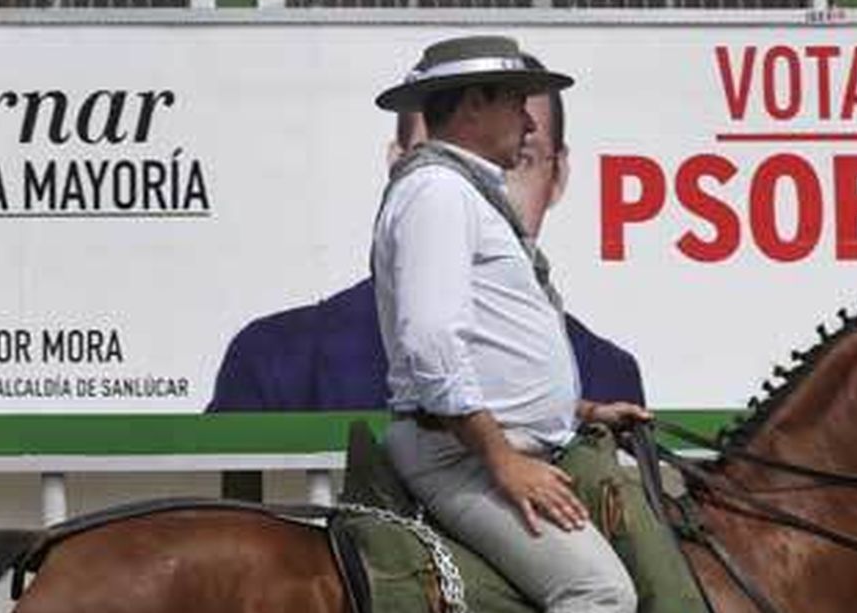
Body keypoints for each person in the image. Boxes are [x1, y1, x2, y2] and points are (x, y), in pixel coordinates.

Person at [371, 35, 657, 613]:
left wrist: (574, 412)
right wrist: (504, 457)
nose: (531, 125)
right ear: (470, 107)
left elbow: (488, 342)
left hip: (505, 442)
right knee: (597, 594)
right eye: (516, 104)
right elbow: (429, 342)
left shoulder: (464, 194)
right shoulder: (435, 195)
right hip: (460, 457)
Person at [205, 63, 643, 412]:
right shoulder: (275, 359)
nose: (475, 188)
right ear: (399, 167)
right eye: (442, 160)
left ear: (557, 176)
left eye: (517, 160)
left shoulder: (605, 374)